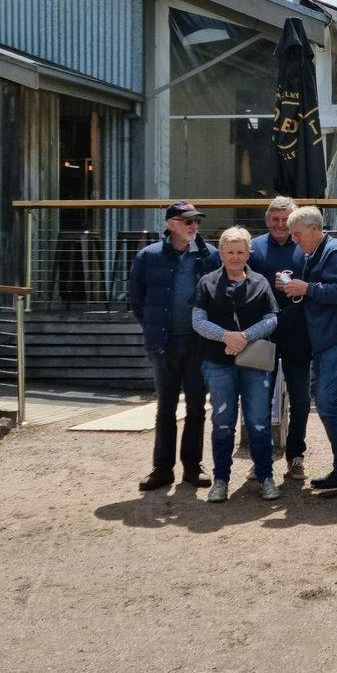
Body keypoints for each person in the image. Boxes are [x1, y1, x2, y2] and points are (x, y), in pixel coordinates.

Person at [125, 201, 216, 491]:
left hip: (197, 343)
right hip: (163, 343)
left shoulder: (209, 255)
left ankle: (192, 467)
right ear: (170, 224)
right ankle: (162, 469)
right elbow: (136, 299)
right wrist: (154, 328)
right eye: (186, 221)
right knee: (165, 407)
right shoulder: (148, 256)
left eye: (196, 221)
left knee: (196, 407)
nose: (193, 226)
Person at [191, 226, 281, 503]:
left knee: (259, 422)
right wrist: (225, 336)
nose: (235, 256)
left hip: (254, 363)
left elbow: (272, 319)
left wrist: (243, 337)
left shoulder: (261, 283)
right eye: (230, 251)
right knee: (222, 422)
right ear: (221, 253)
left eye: (241, 251)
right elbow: (197, 322)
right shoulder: (206, 283)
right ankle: (221, 480)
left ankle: (265, 476)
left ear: (249, 253)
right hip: (217, 363)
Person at [280, 205, 337, 493]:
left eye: (298, 234)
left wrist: (306, 288)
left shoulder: (333, 251)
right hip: (327, 340)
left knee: (327, 403)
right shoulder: (317, 251)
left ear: (315, 229)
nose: (295, 239)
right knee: (326, 402)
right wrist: (298, 288)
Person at [249, 196, 312, 486]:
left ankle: (295, 455)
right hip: (263, 334)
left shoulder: (305, 247)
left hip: (299, 334)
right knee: (259, 398)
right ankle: (260, 458)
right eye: (274, 219)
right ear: (267, 220)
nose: (278, 224)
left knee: (300, 399)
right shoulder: (255, 247)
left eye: (284, 219)